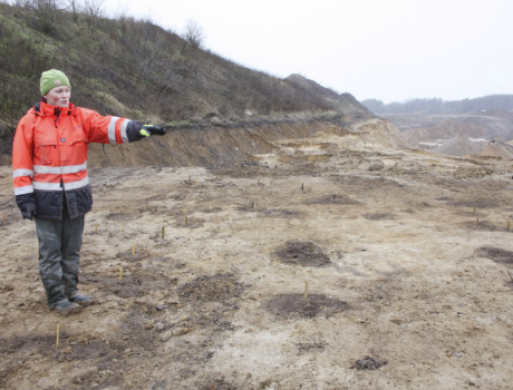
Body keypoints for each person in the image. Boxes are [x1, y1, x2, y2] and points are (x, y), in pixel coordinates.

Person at [12, 69, 165, 314]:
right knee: (51, 251)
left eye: (66, 90)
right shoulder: (29, 122)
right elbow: (21, 164)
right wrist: (25, 198)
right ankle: (56, 298)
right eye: (58, 90)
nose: (64, 95)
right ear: (46, 94)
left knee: (71, 248)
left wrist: (139, 129)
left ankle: (71, 291)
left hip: (75, 199)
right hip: (45, 201)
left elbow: (108, 126)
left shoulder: (81, 117)